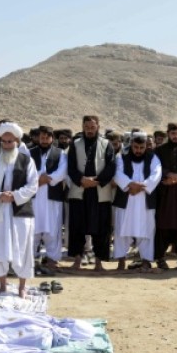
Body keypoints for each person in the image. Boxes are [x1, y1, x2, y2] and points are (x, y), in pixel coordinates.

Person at [0, 122, 39, 297]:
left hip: (20, 211)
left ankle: (22, 287)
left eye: (10, 141)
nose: (7, 145)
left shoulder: (27, 160)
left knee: (22, 248)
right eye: (4, 142)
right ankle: (2, 285)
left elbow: (33, 185)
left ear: (17, 141)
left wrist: (14, 196)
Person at [66, 115, 116, 272]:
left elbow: (111, 166)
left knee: (101, 229)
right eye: (86, 127)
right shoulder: (74, 144)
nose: (89, 130)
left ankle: (99, 262)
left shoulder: (106, 144)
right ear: (82, 127)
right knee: (77, 228)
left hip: (100, 193)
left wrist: (97, 181)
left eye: (92, 127)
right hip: (80, 191)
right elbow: (71, 167)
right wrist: (82, 180)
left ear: (98, 127)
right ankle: (77, 260)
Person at [113, 132, 162, 271]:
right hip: (126, 198)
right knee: (121, 230)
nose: (138, 151)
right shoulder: (122, 157)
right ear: (131, 145)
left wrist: (142, 186)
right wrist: (130, 184)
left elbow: (156, 174)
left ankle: (146, 261)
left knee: (146, 230)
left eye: (141, 147)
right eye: (135, 147)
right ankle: (121, 261)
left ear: (146, 146)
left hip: (145, 198)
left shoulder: (153, 158)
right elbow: (117, 173)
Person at [153, 122, 177, 270]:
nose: (175, 136)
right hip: (166, 193)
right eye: (173, 134)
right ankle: (160, 257)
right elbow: (157, 167)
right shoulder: (160, 150)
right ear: (168, 134)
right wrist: (168, 174)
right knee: (163, 224)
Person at [30, 126, 68, 270]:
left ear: (52, 138)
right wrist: (38, 179)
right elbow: (26, 171)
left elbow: (62, 172)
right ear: (38, 138)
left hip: (53, 197)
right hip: (34, 197)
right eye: (42, 138)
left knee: (53, 229)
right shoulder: (29, 153)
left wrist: (48, 178)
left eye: (47, 138)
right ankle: (30, 257)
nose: (44, 140)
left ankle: (53, 258)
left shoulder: (61, 154)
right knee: (32, 227)